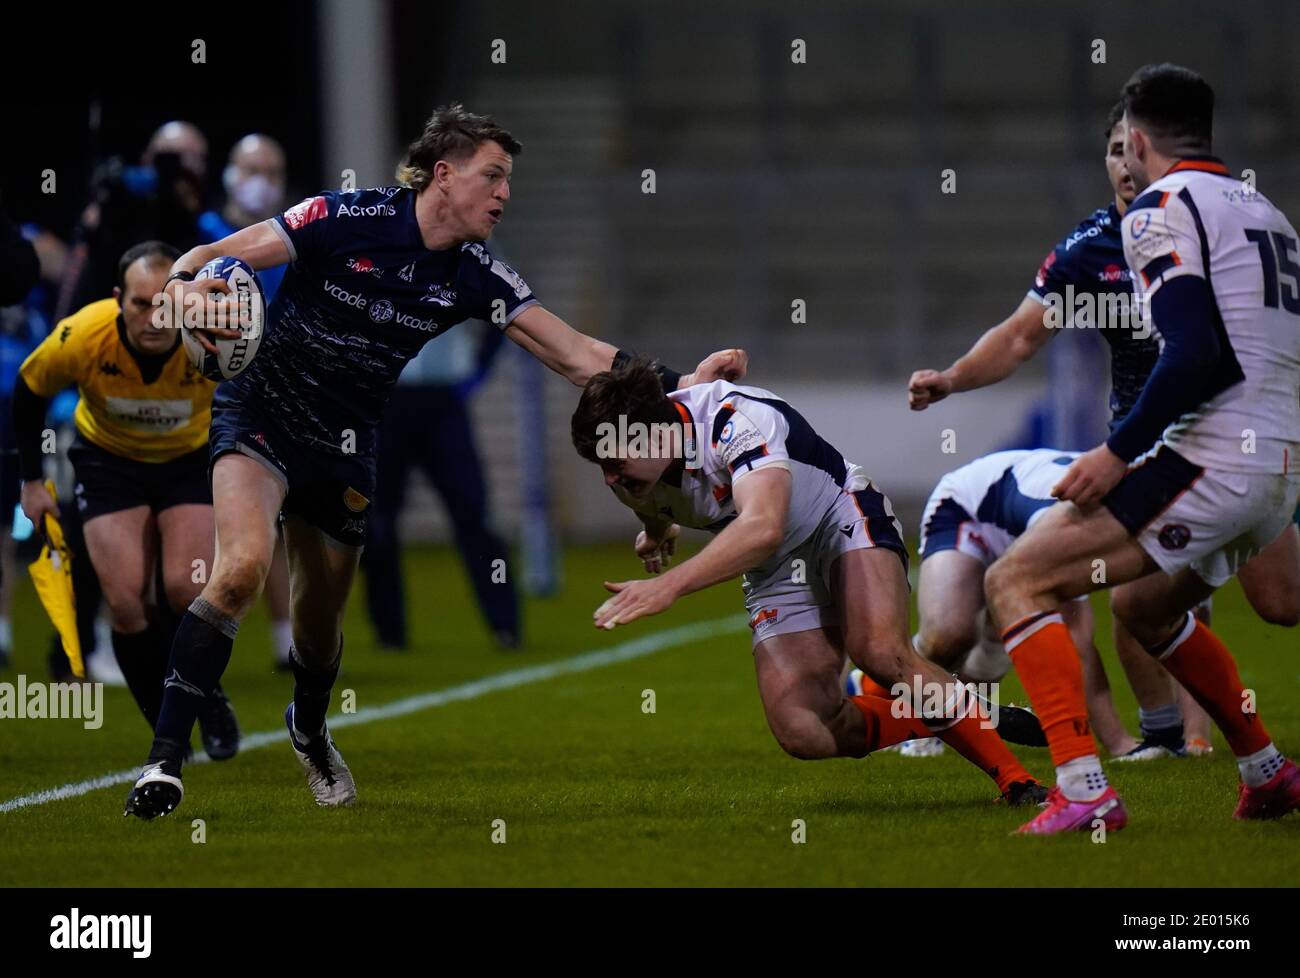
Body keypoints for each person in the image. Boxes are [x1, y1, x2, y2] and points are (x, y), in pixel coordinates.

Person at [124, 104, 749, 818]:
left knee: (319, 629)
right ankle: (163, 764)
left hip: (347, 444)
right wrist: (183, 279)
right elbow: (221, 253)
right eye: (493, 176)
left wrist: (684, 383)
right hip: (260, 412)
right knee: (238, 570)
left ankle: (309, 725)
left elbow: (578, 355)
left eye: (507, 181)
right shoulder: (343, 216)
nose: (504, 194)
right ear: (443, 175)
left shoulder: (475, 274)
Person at [908, 100, 1299, 760]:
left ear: (1150, 146)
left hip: (1227, 441)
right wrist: (953, 378)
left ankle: (1159, 755)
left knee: (1280, 602)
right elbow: (1019, 336)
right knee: (1131, 597)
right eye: (1112, 150)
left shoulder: (1203, 223)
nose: (1124, 162)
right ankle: (1172, 743)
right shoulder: (1092, 250)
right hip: (1152, 447)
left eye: (1129, 147)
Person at [572, 358, 1048, 804]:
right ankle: (968, 712)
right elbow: (656, 507)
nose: (609, 478)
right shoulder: (635, 478)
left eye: (614, 461)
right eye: (602, 464)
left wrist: (669, 586)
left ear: (657, 434)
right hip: (775, 567)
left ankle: (1018, 783)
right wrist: (657, 533)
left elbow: (763, 526)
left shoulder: (733, 422)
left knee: (879, 653)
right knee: (805, 730)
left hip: (840, 517)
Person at [13, 241, 239, 758]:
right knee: (125, 600)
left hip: (186, 463)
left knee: (187, 588)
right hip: (108, 464)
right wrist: (31, 481)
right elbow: (29, 390)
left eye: (166, 303)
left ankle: (209, 698)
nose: (155, 318)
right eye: (140, 303)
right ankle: (166, 734)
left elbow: (258, 391)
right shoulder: (83, 334)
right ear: (118, 299)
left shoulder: (215, 334)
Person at [884, 449, 1130, 758]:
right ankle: (891, 703)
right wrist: (1118, 743)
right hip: (968, 509)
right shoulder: (1075, 522)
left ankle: (940, 719)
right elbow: (1076, 639)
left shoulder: (1130, 509)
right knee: (948, 635)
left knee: (996, 648)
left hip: (1026, 516)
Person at [197, 133, 294, 668]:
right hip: (198, 397)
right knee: (189, 521)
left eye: (272, 172)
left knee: (271, 521)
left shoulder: (288, 241)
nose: (261, 182)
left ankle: (287, 642)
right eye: (252, 169)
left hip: (268, 393)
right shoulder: (202, 235)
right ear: (230, 174)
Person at [363, 323, 520, 650]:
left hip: (443, 401)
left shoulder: (455, 282)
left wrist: (480, 368)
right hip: (386, 401)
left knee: (475, 515)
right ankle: (388, 629)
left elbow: (501, 314)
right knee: (377, 521)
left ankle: (505, 624)